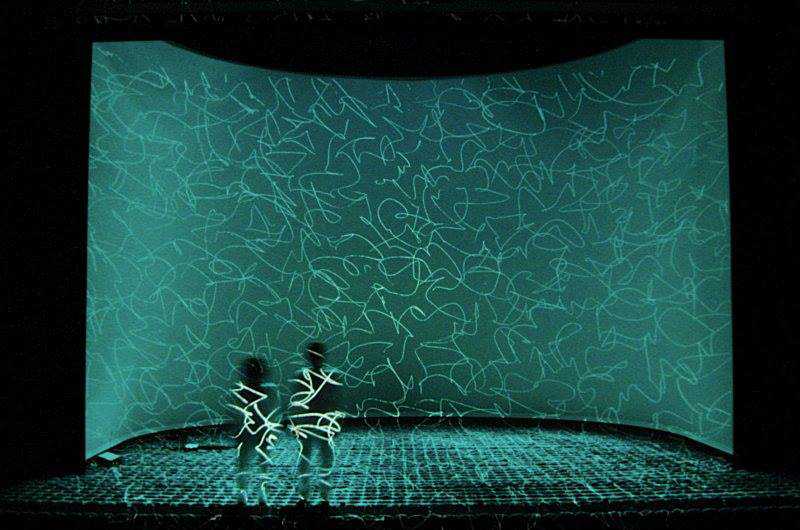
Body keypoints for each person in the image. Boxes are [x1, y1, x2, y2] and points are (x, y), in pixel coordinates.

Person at [287, 342, 344, 508]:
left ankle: (307, 496)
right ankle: (319, 497)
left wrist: (294, 421)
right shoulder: (331, 375)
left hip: (313, 423)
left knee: (311, 457)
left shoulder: (304, 375)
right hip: (319, 423)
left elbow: (296, 400)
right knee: (321, 458)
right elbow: (335, 401)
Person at [230, 356, 282, 505]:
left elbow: (236, 412)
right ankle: (259, 493)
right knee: (260, 461)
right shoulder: (268, 390)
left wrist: (236, 430)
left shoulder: (242, 390)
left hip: (250, 431)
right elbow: (274, 410)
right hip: (260, 430)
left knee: (244, 462)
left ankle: (244, 493)